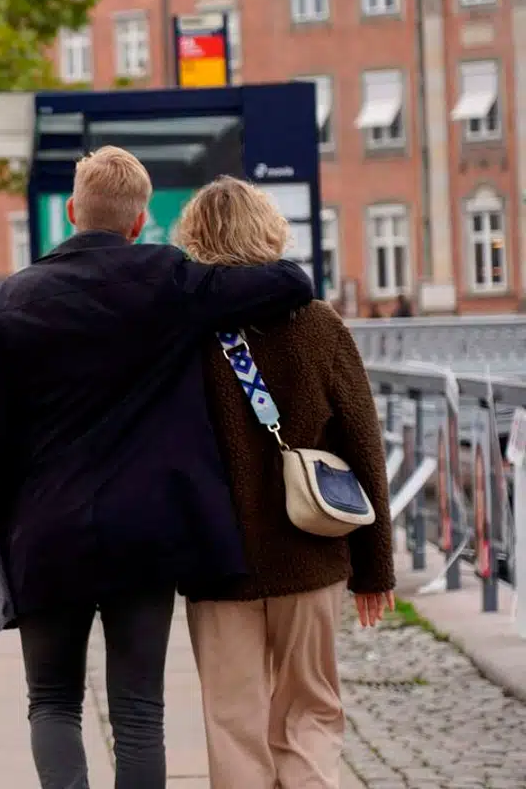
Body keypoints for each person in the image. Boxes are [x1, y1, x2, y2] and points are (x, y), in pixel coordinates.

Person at [0, 147, 315, 789]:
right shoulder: (170, 281)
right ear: (140, 219)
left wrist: (16, 509)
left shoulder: (12, 300)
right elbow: (291, 282)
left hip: (48, 529)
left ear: (71, 212)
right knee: (139, 712)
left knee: (53, 702)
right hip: (146, 532)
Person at [173, 177, 395, 789]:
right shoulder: (319, 324)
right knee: (311, 711)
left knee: (232, 719)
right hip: (311, 552)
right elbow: (363, 447)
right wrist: (374, 569)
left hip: (217, 562)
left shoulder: (180, 334)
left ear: (195, 237)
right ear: (272, 232)